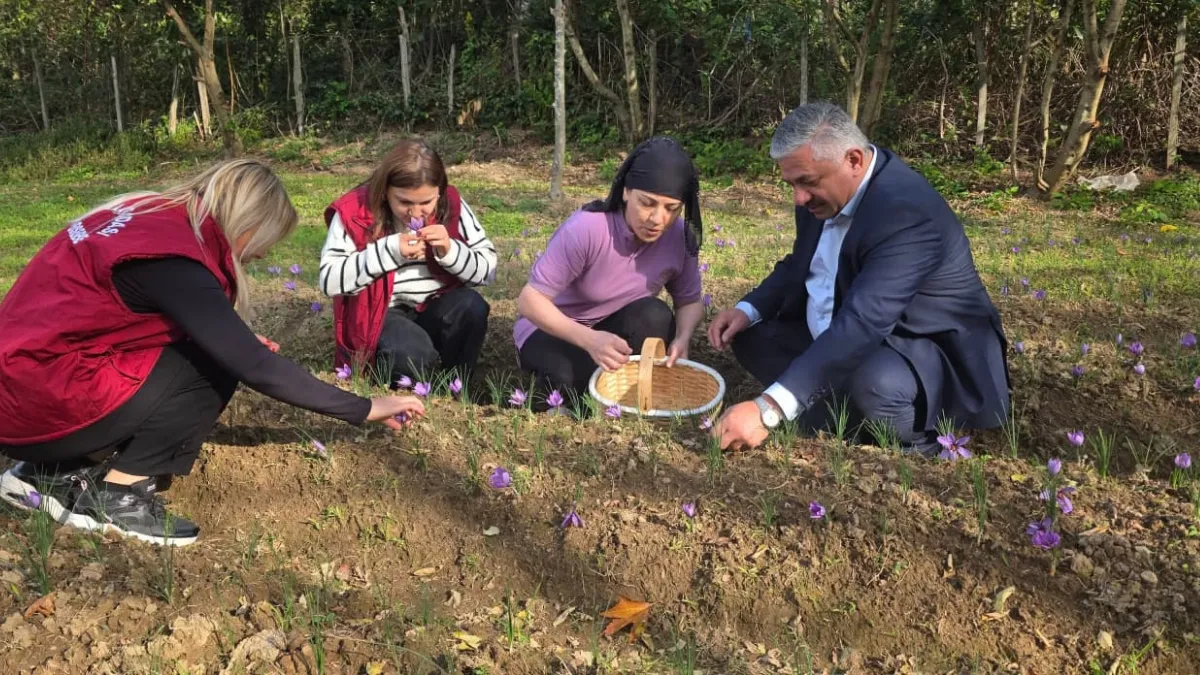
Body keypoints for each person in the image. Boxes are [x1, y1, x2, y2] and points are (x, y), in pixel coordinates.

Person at [0, 159, 426, 547]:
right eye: (265, 241)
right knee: (216, 361)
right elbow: (255, 366)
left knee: (217, 345)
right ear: (247, 222)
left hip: (25, 383)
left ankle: (45, 474)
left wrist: (224, 335)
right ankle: (120, 495)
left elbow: (110, 317)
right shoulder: (177, 259)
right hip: (36, 399)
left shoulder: (146, 217)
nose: (262, 254)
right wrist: (364, 406)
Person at [707, 102, 1009, 454]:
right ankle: (830, 412)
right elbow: (801, 262)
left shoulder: (906, 213)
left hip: (916, 348)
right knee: (748, 336)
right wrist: (748, 309)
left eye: (806, 182)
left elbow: (864, 322)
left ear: (853, 160)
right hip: (842, 329)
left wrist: (768, 410)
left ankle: (920, 442)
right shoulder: (821, 196)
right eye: (791, 184)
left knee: (872, 382)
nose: (798, 197)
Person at [514, 136, 705, 403]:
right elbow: (530, 302)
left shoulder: (678, 237)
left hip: (611, 330)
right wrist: (590, 340)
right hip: (554, 328)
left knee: (655, 315)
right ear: (626, 191)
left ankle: (616, 386)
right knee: (564, 379)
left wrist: (683, 338)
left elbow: (690, 302)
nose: (657, 219)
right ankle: (572, 389)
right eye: (647, 203)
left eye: (671, 208)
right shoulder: (588, 229)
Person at [320, 139, 496, 385]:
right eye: (404, 202)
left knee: (471, 306)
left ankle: (456, 381)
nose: (415, 213)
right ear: (384, 192)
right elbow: (329, 281)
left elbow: (487, 271)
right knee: (411, 355)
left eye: (426, 203)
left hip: (434, 304)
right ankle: (407, 369)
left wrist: (450, 251)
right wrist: (388, 250)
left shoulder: (451, 203)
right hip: (380, 313)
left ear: (440, 192)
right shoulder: (354, 211)